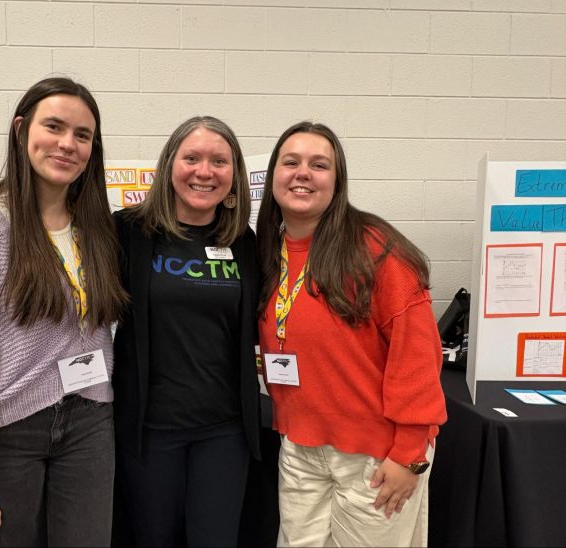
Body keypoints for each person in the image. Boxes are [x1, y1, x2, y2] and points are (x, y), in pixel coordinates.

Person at [0, 77, 127, 547]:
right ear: (21, 130)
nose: (68, 144)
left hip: (90, 423)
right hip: (12, 430)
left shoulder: (97, 228)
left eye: (83, 135)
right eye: (54, 127)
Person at [256, 121, 447, 547]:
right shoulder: (268, 252)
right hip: (300, 446)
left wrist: (410, 454)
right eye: (291, 162)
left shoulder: (374, 247)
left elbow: (416, 355)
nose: (303, 172)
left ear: (337, 182)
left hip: (376, 454)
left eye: (319, 165)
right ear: (273, 177)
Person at [112, 116, 260, 547]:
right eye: (191, 157)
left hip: (225, 430)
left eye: (219, 161)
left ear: (233, 175)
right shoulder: (129, 231)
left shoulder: (243, 242)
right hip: (150, 429)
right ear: (169, 165)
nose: (204, 171)